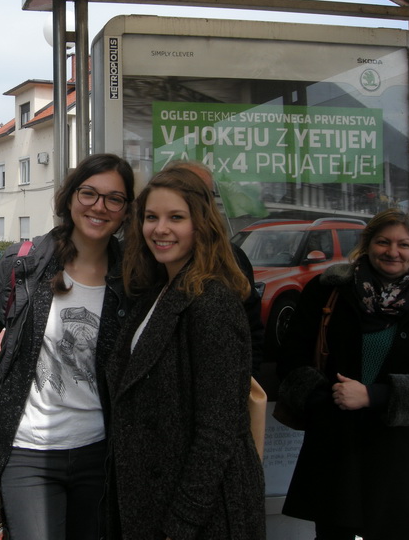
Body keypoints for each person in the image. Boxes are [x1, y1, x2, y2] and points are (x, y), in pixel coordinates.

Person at [0, 153, 135, 540]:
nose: (99, 206)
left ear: (126, 210)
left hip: (100, 453)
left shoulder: (133, 278)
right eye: (89, 193)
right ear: (70, 197)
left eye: (114, 198)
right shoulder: (25, 265)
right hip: (28, 454)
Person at [106, 166, 265, 540]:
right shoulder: (161, 290)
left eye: (176, 217)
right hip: (160, 501)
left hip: (202, 514)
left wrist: (181, 524)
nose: (160, 229)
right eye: (151, 217)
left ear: (201, 224)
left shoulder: (212, 302)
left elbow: (218, 431)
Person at [276, 208, 409, 540]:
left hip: (399, 455)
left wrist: (374, 396)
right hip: (337, 447)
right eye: (383, 242)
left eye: (404, 244)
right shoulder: (328, 289)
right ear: (368, 243)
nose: (393, 252)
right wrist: (325, 401)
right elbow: (291, 357)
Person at [162, 159, 265, 375]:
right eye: (190, 193)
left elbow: (251, 334)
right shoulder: (138, 260)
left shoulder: (232, 261)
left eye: (206, 195)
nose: (199, 203)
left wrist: (244, 382)